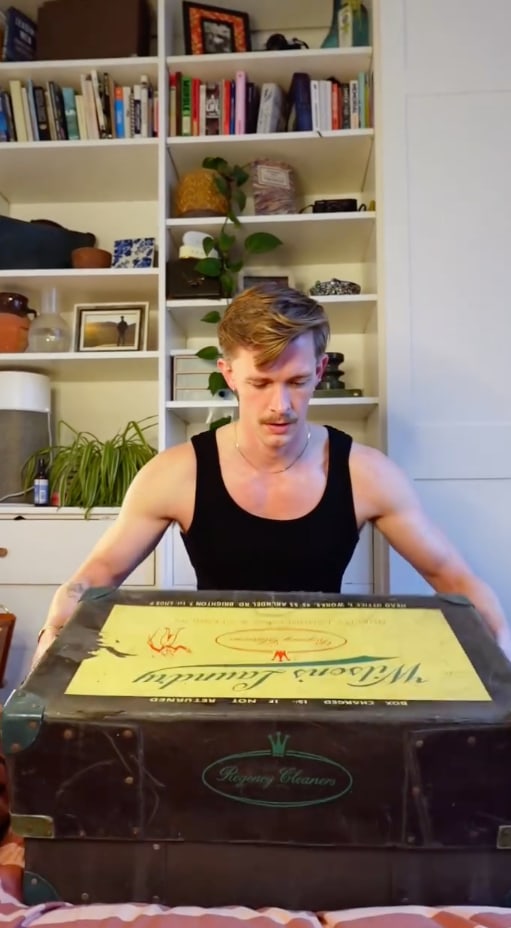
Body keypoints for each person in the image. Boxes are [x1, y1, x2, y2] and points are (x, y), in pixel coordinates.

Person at [33, 284, 508, 666]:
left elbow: (451, 575)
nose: (280, 405)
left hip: (331, 672)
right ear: (229, 375)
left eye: (297, 382)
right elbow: (98, 574)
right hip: (211, 674)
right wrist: (60, 614)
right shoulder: (176, 474)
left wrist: (501, 641)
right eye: (260, 383)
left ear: (320, 370)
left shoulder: (368, 473)